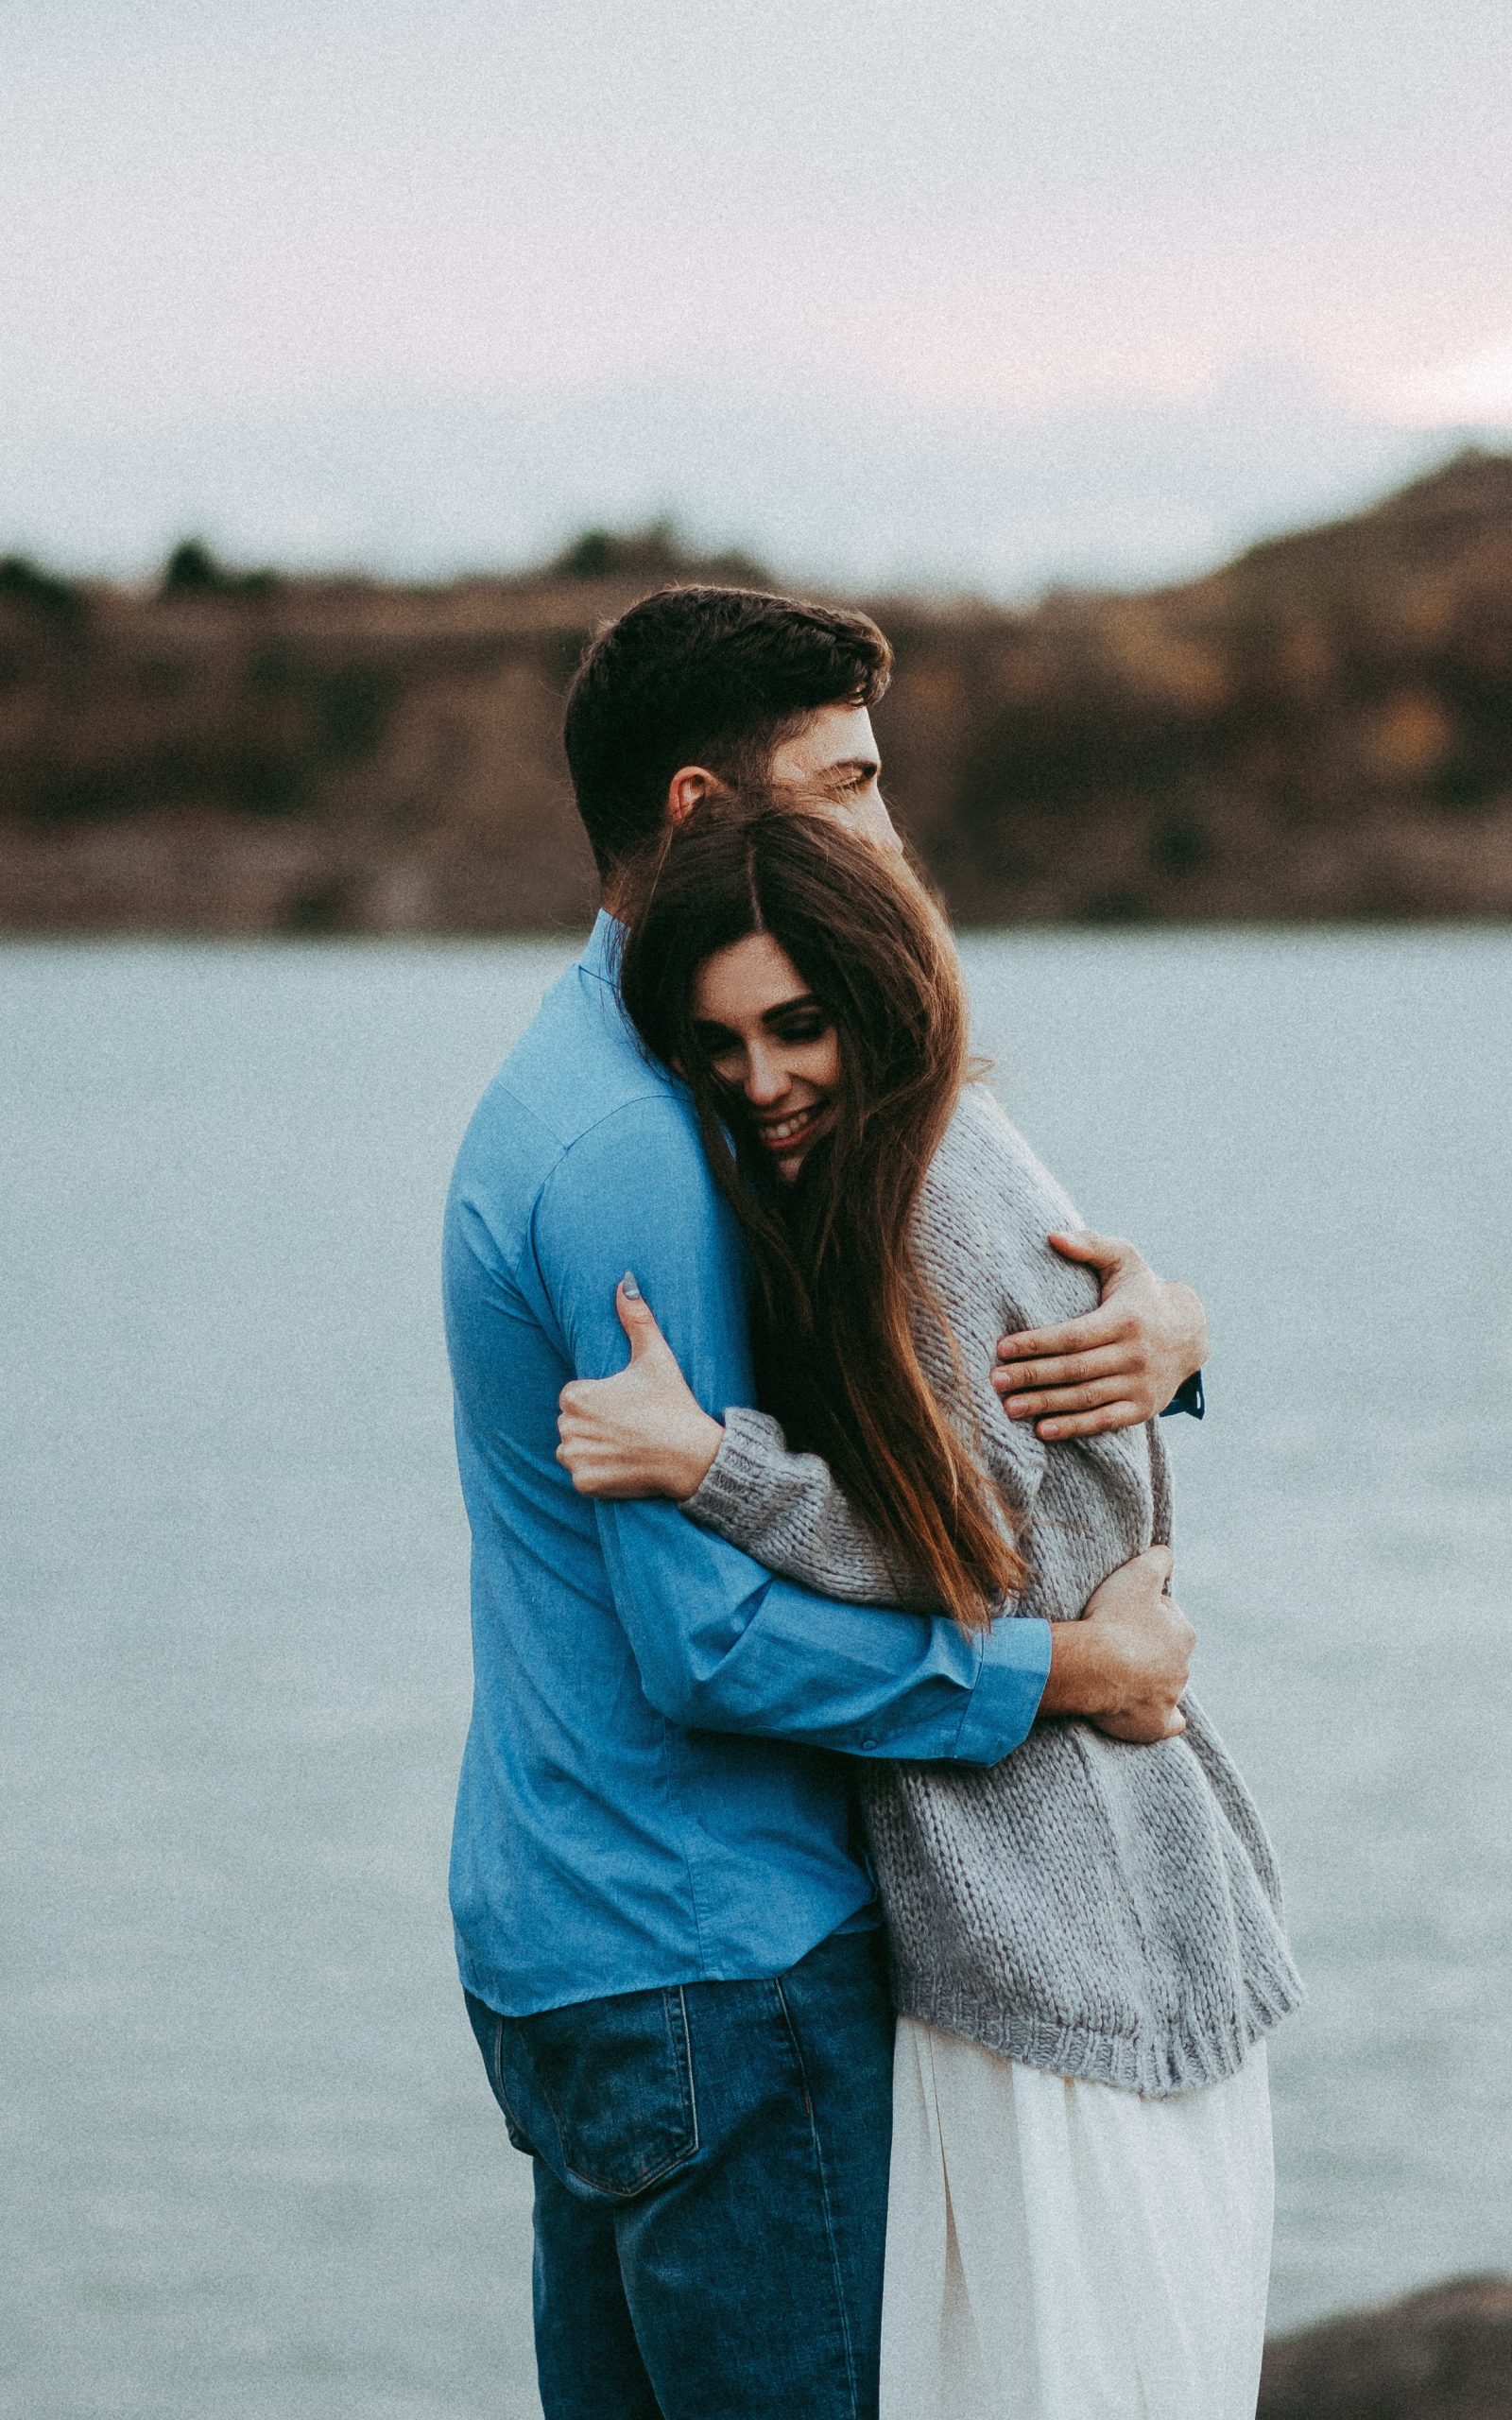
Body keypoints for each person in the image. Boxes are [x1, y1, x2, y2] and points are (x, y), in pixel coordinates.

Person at [442, 585, 1210, 2420]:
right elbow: (705, 1636)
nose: (886, 831)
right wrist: (1070, 1675)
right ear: (707, 810)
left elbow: (961, 1348)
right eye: (845, 784)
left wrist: (1171, 1335)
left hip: (582, 1924)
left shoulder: (635, 1070)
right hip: (716, 1950)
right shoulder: (651, 1144)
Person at [556, 796, 1302, 2420]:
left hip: (1064, 1929)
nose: (760, 1082)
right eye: (719, 1046)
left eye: (798, 1025)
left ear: (877, 995)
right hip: (1090, 1901)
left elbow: (952, 1546)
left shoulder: (933, 1206)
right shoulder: (919, 1155)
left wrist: (709, 1463)